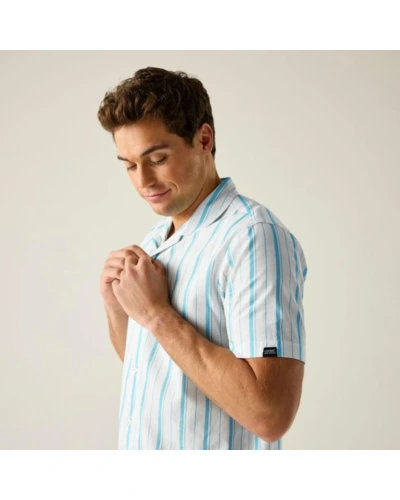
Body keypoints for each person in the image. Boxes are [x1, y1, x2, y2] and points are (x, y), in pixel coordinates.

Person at [97, 67, 308, 450]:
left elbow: (270, 414)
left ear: (204, 139)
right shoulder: (155, 239)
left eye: (157, 158)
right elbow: (156, 373)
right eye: (129, 165)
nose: (142, 181)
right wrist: (118, 309)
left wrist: (157, 315)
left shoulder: (252, 237)